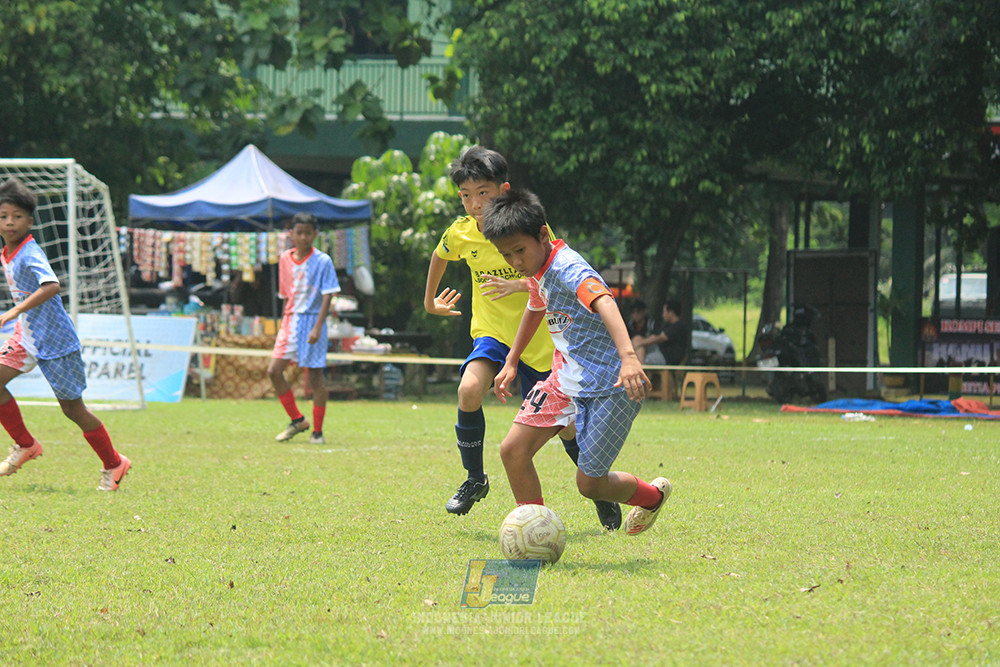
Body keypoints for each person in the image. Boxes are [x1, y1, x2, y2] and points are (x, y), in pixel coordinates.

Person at [424, 146, 621, 530]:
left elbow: (554, 272)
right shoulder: (461, 232)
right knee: (468, 390)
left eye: (483, 193)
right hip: (493, 333)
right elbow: (439, 255)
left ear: (504, 189)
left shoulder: (528, 227)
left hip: (540, 342)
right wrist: (430, 301)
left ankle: (599, 490)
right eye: (465, 195)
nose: (474, 204)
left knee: (567, 428)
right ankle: (475, 479)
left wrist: (517, 285)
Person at [482, 188, 671, 536]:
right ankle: (535, 533)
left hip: (610, 385)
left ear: (543, 235)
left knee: (590, 485)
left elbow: (605, 301)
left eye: (519, 251)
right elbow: (536, 305)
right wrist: (511, 361)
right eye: (506, 255)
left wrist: (629, 358)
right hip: (564, 379)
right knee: (513, 451)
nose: (515, 262)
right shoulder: (538, 269)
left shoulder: (568, 268)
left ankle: (652, 497)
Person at [0, 178, 131, 490]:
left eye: (17, 216)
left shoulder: (30, 252)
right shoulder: (7, 251)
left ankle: (114, 463)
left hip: (55, 341)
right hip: (26, 336)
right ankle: (26, 445)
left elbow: (52, 286)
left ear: (30, 222)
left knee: (72, 409)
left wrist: (15, 311)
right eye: (4, 216)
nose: (10, 222)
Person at [269, 212, 339, 445]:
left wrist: (318, 327)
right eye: (299, 233)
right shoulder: (284, 259)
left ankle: (317, 431)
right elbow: (285, 296)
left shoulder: (323, 261)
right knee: (274, 371)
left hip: (312, 320)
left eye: (308, 233)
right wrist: (282, 325)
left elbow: (328, 295)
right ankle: (297, 420)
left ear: (315, 234)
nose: (303, 237)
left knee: (315, 377)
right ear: (291, 234)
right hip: (290, 322)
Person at [635, 299, 689, 365]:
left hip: (667, 358)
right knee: (638, 340)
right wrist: (639, 341)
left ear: (671, 313)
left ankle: (640, 368)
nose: (663, 315)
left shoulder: (679, 327)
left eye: (664, 312)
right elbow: (655, 335)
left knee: (642, 356)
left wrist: (640, 343)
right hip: (658, 351)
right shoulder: (667, 325)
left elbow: (660, 338)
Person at [625, 298, 656, 364]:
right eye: (633, 312)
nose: (635, 314)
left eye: (638, 312)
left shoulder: (651, 324)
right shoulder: (630, 325)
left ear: (644, 311)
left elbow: (657, 336)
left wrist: (640, 342)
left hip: (650, 349)